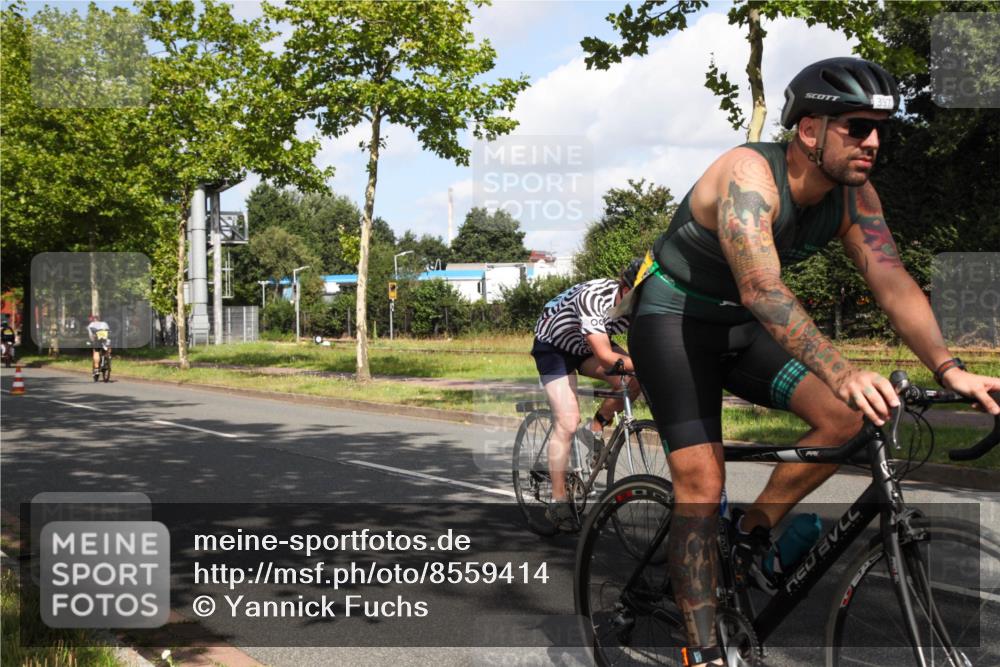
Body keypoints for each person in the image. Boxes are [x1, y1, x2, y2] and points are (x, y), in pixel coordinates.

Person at [625, 57, 1000, 666]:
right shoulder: (750, 175)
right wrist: (844, 371)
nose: (873, 142)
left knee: (848, 418)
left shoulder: (855, 198)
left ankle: (749, 534)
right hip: (675, 322)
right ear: (808, 130)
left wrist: (949, 368)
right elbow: (762, 288)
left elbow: (892, 282)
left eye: (880, 129)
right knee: (702, 484)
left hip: (741, 327)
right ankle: (704, 652)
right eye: (857, 127)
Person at [531, 259, 644, 532]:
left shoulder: (640, 306)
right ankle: (558, 501)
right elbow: (605, 356)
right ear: (624, 289)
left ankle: (594, 428)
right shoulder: (593, 298)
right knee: (568, 420)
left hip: (586, 345)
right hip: (554, 346)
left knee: (635, 381)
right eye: (639, 297)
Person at [87, 315, 111, 380]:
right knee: (107, 349)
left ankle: (97, 369)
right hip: (105, 341)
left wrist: (92, 341)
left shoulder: (91, 325)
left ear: (94, 319)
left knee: (96, 352)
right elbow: (109, 333)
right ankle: (108, 358)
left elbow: (91, 336)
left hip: (97, 341)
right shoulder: (105, 324)